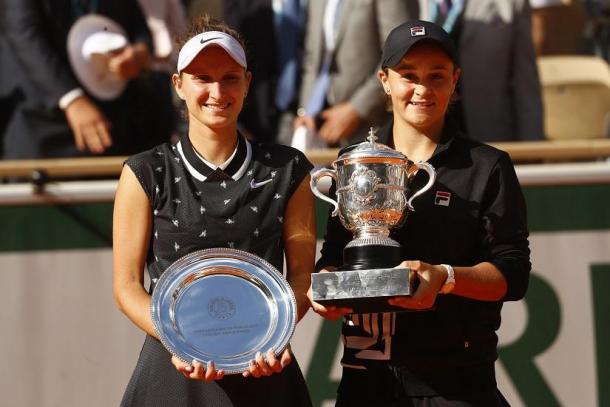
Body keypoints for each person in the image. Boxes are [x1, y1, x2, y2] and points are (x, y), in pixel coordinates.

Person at [310, 20, 531, 406]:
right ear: (385, 80)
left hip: (457, 386)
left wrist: (444, 278)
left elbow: (512, 273)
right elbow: (333, 260)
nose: (422, 89)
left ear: (455, 79)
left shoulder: (487, 166)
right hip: (367, 381)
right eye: (408, 75)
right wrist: (325, 292)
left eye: (436, 76)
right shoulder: (355, 164)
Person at [113, 15, 316, 407]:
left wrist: (268, 337)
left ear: (247, 83)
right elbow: (126, 287)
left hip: (263, 364)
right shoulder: (144, 171)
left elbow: (303, 276)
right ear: (178, 85)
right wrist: (183, 339)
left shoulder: (290, 168)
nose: (216, 91)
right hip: (172, 370)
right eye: (202, 77)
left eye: (229, 77)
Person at [0, 0, 173, 159]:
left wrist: (139, 52)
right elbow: (23, 32)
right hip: (42, 123)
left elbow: (138, 26)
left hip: (113, 121)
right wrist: (71, 99)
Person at [411, 0, 544, 142]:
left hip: (488, 138)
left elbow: (525, 83)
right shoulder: (402, 4)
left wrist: (533, 149)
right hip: (421, 142)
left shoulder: (510, 4)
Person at [288, 0, 410, 147]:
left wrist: (357, 109)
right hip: (317, 128)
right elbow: (312, 58)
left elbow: (398, 54)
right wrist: (306, 110)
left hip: (370, 128)